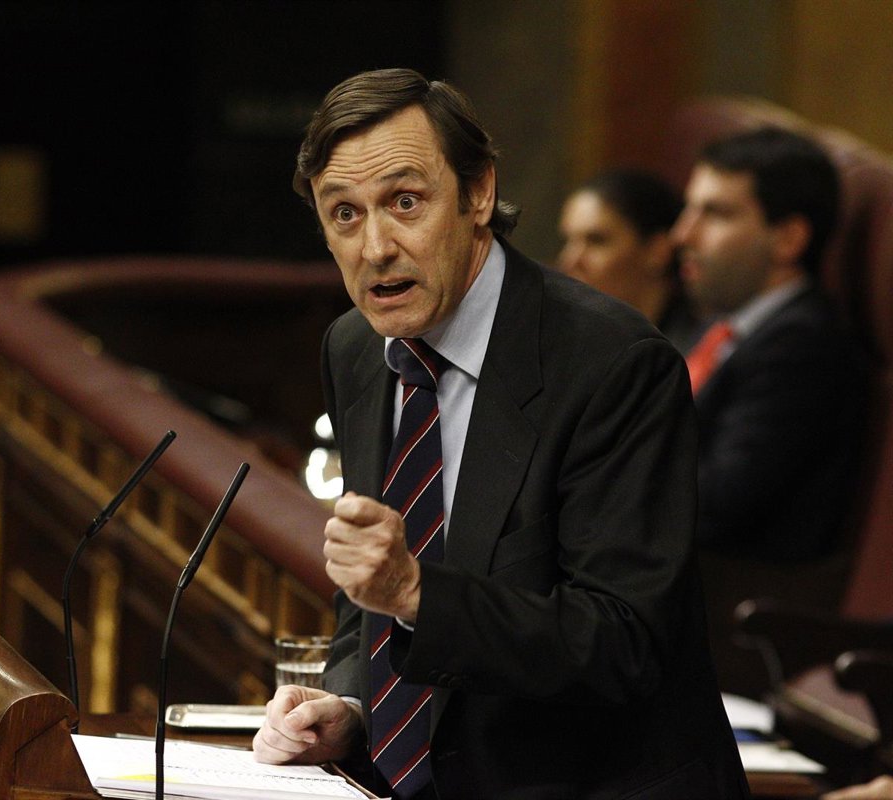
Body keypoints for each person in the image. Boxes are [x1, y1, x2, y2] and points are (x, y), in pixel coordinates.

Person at [252, 68, 747, 799]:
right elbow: (369, 588)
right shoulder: (355, 348)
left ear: (478, 192)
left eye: (405, 202)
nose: (376, 247)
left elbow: (622, 641)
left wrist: (417, 592)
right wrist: (352, 705)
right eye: (345, 214)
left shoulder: (613, 365)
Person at [671, 127, 869, 696]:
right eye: (689, 208)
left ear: (788, 238)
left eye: (715, 213)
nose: (684, 233)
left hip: (730, 625)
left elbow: (713, 504)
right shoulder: (728, 324)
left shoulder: (802, 348)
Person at [557, 168, 703, 353]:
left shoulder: (703, 351)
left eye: (596, 241)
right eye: (568, 241)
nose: (569, 261)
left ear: (657, 250)